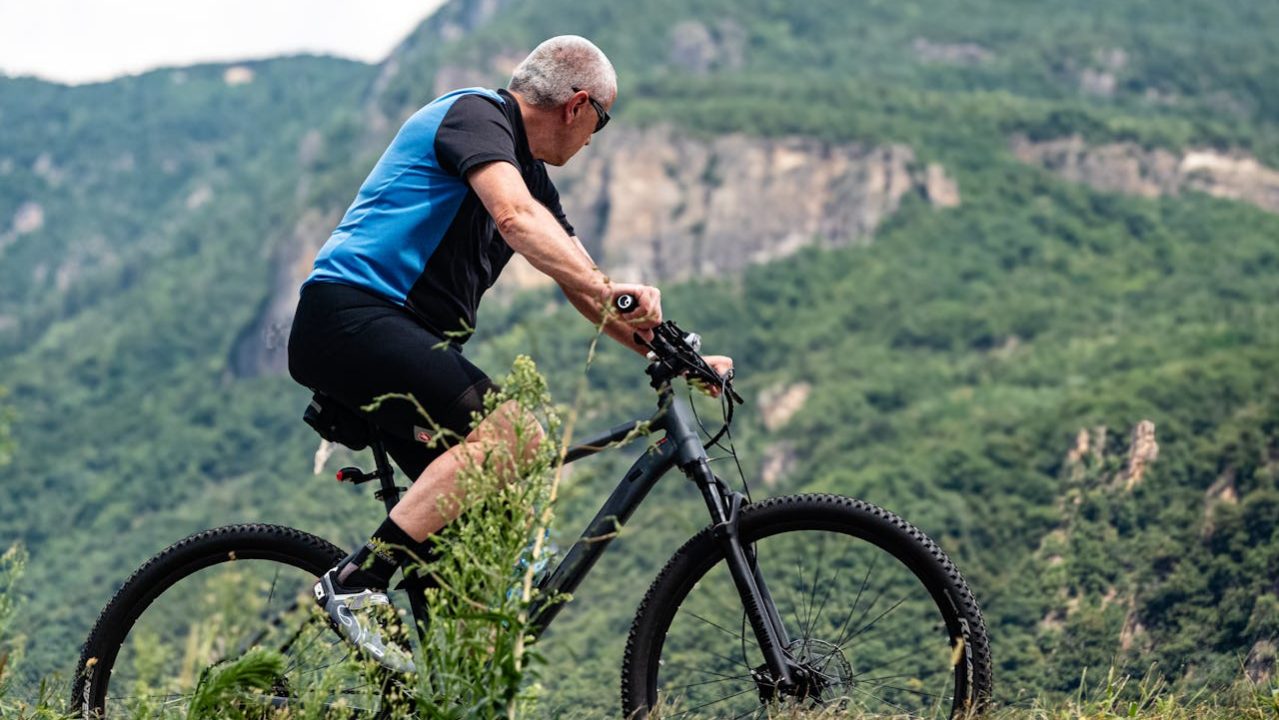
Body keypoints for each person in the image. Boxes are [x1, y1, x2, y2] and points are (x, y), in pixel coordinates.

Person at [287, 35, 733, 672]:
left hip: (395, 339)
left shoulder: (533, 179)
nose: (592, 140)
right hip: (351, 318)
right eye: (599, 124)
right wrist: (610, 291)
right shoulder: (475, 115)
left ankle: (434, 691)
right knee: (516, 436)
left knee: (473, 552)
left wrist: (678, 352)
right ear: (578, 106)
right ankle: (356, 583)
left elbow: (589, 286)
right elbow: (515, 221)